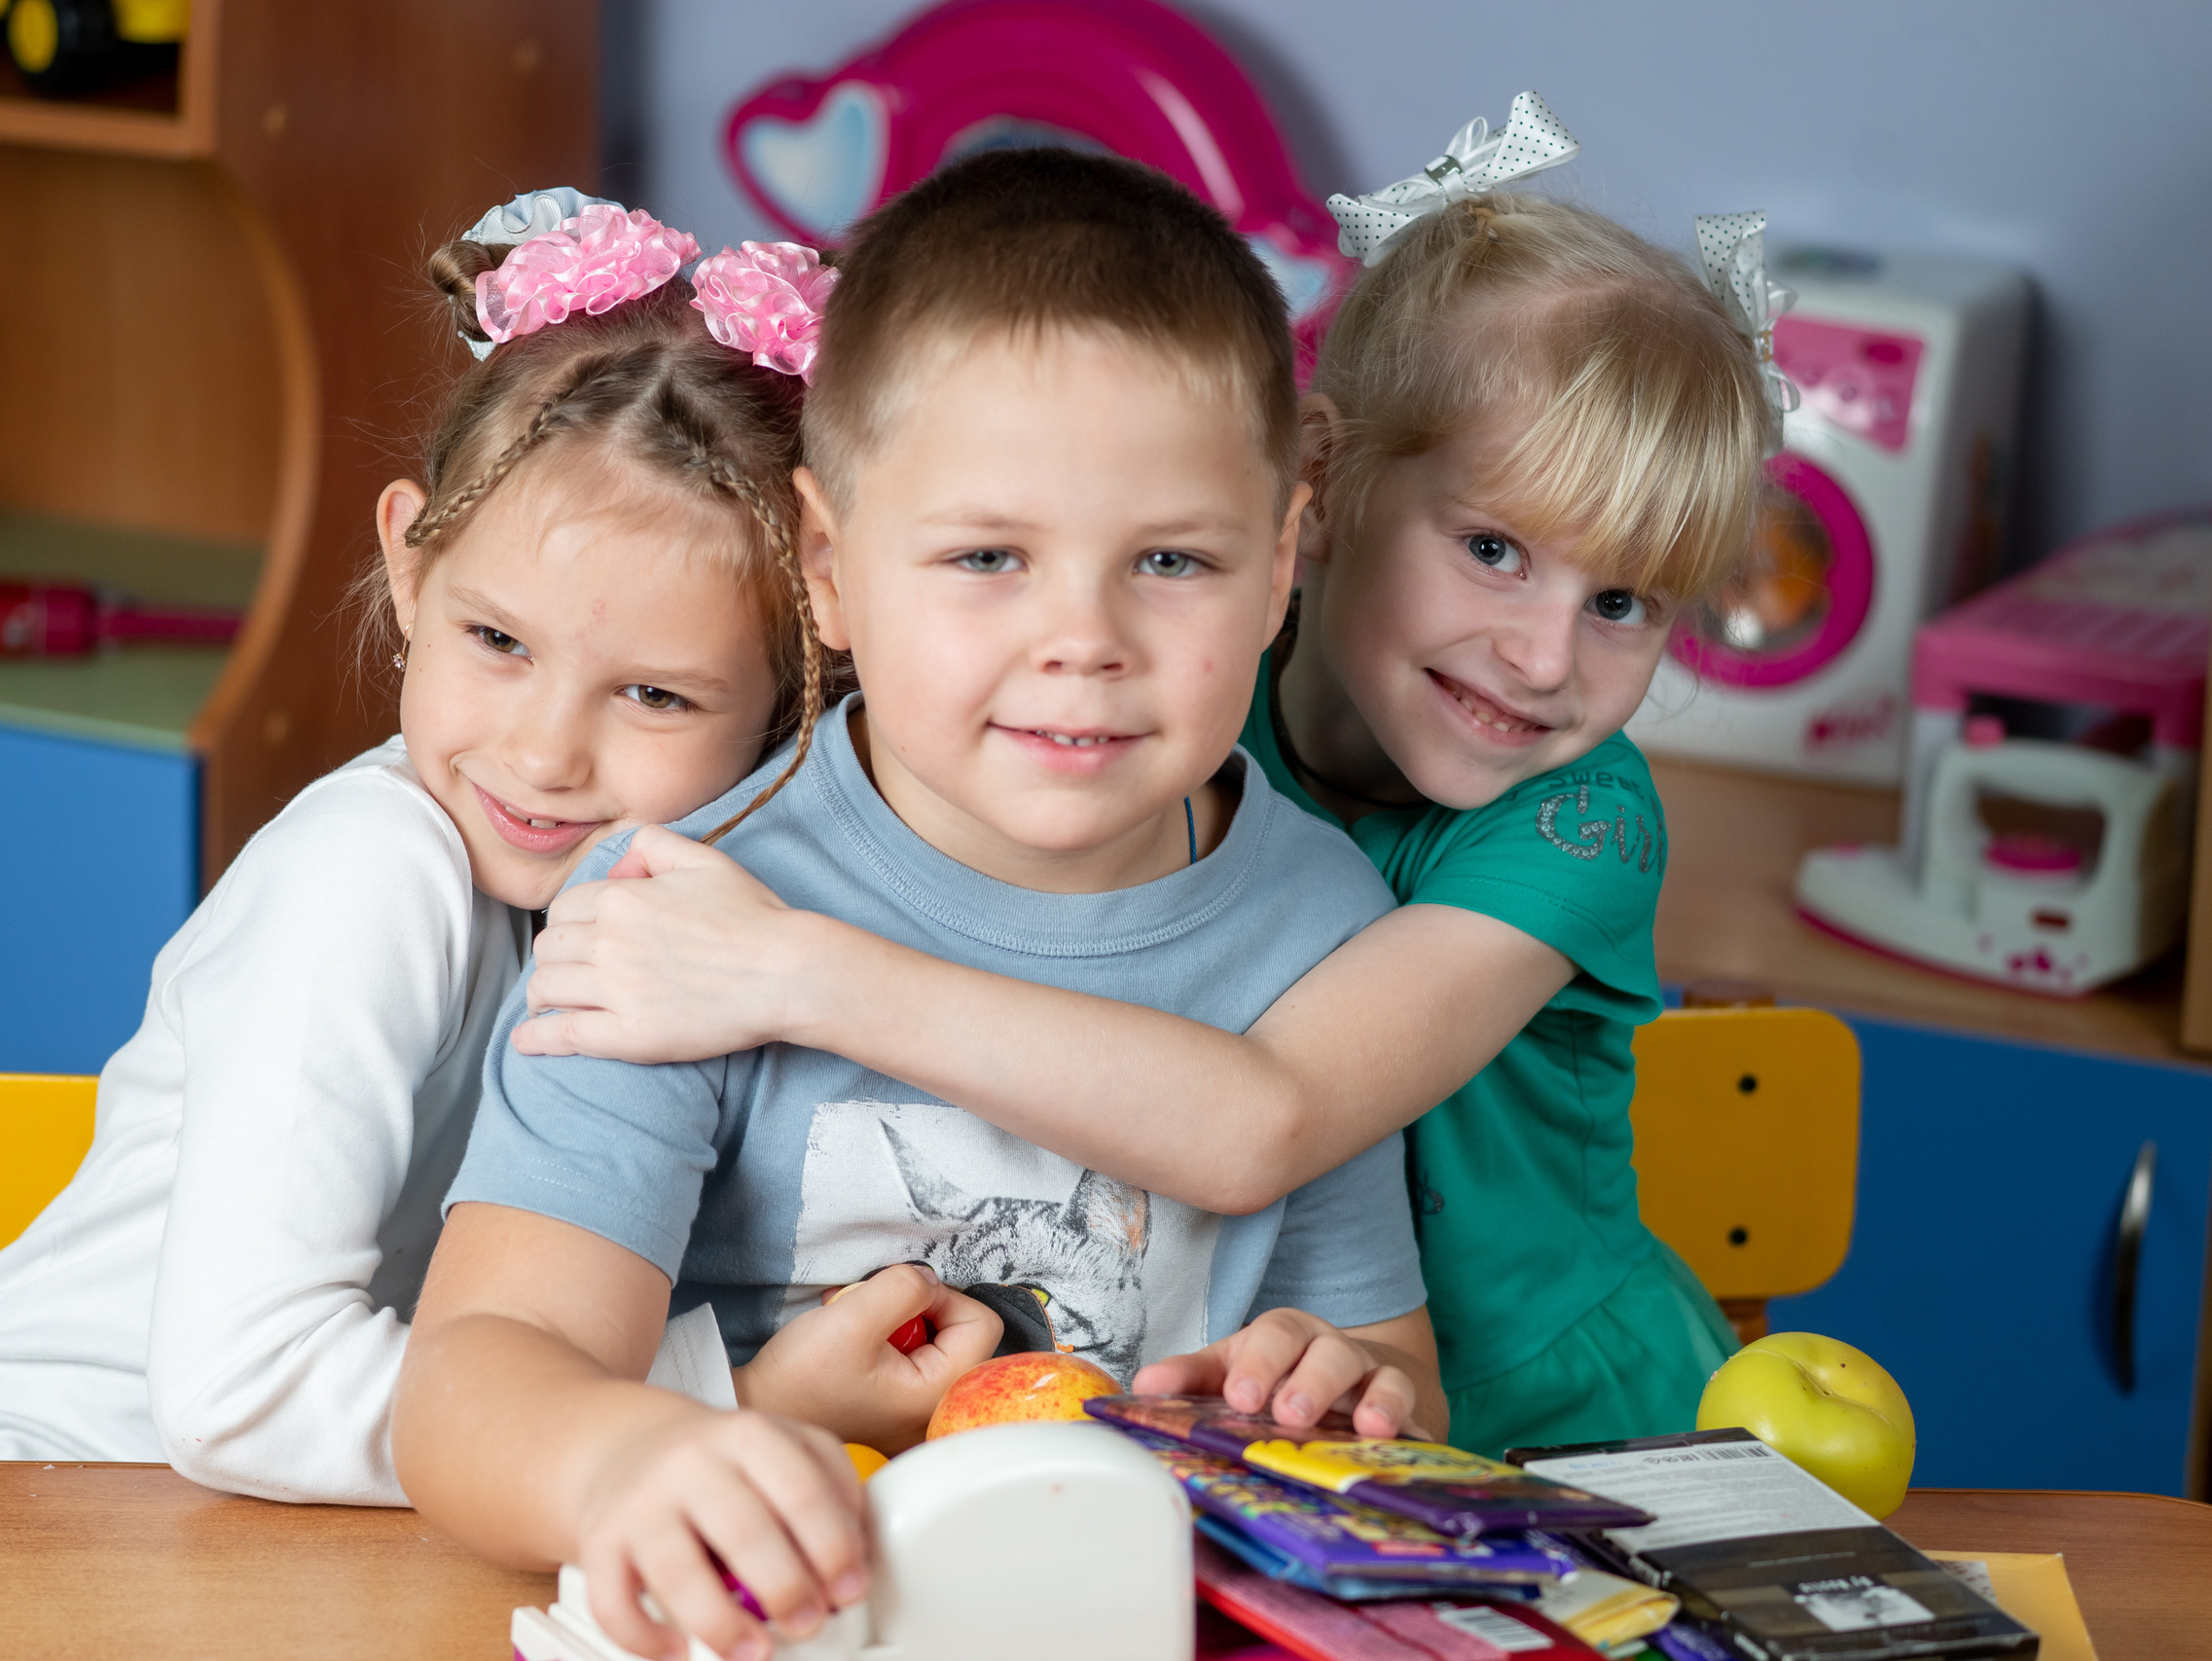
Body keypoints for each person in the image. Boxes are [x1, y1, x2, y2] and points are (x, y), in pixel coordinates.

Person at [513, 100, 1786, 1461]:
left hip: (1555, 1421)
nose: (1541, 657)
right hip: (1250, 1426)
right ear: (1326, 499)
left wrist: (792, 974)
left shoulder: (1569, 820)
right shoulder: (1164, 686)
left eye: (1627, 603)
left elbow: (1264, 1122)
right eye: (1492, 551)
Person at [392, 148, 1446, 1661]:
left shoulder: (1320, 929)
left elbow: (1393, 1370)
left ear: (1281, 565)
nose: (1081, 640)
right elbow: (478, 1377)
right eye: (985, 558)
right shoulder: (681, 907)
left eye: (1170, 560)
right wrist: (623, 1462)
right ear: (829, 568)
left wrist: (1338, 1389)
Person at [0, 190, 840, 1506]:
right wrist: (726, 1396)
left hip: (175, 1539)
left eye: (655, 696)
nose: (547, 753)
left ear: (795, 692)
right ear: (410, 569)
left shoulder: (644, 909)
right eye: (497, 643)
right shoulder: (375, 868)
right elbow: (248, 1396)